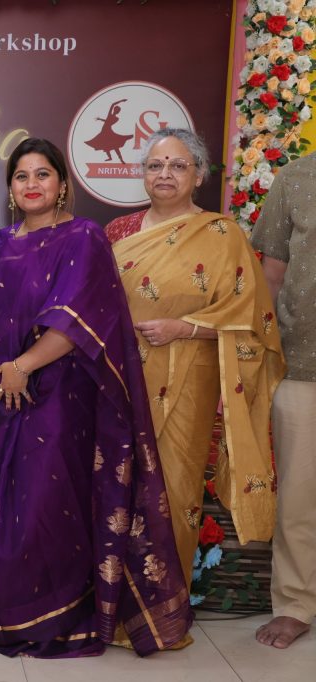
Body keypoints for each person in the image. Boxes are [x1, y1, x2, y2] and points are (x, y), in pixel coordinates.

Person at [0, 138, 192, 657]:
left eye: (42, 174)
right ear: (9, 188)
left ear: (62, 183)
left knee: (46, 507)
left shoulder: (83, 236)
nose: (32, 184)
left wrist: (23, 366)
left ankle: (54, 617)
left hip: (58, 396)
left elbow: (77, 321)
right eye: (21, 176)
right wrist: (3, 375)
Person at [105, 128, 285, 588]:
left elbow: (252, 320)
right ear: (143, 174)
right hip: (120, 380)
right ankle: (111, 605)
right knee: (114, 490)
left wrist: (184, 328)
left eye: (178, 165)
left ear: (199, 174)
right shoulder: (118, 232)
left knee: (175, 491)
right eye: (155, 165)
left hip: (189, 381)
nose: (165, 174)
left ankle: (166, 604)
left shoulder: (223, 235)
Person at [251, 152, 316, 649]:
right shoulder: (296, 177)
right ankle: (295, 604)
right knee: (298, 495)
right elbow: (271, 274)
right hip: (301, 363)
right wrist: (262, 354)